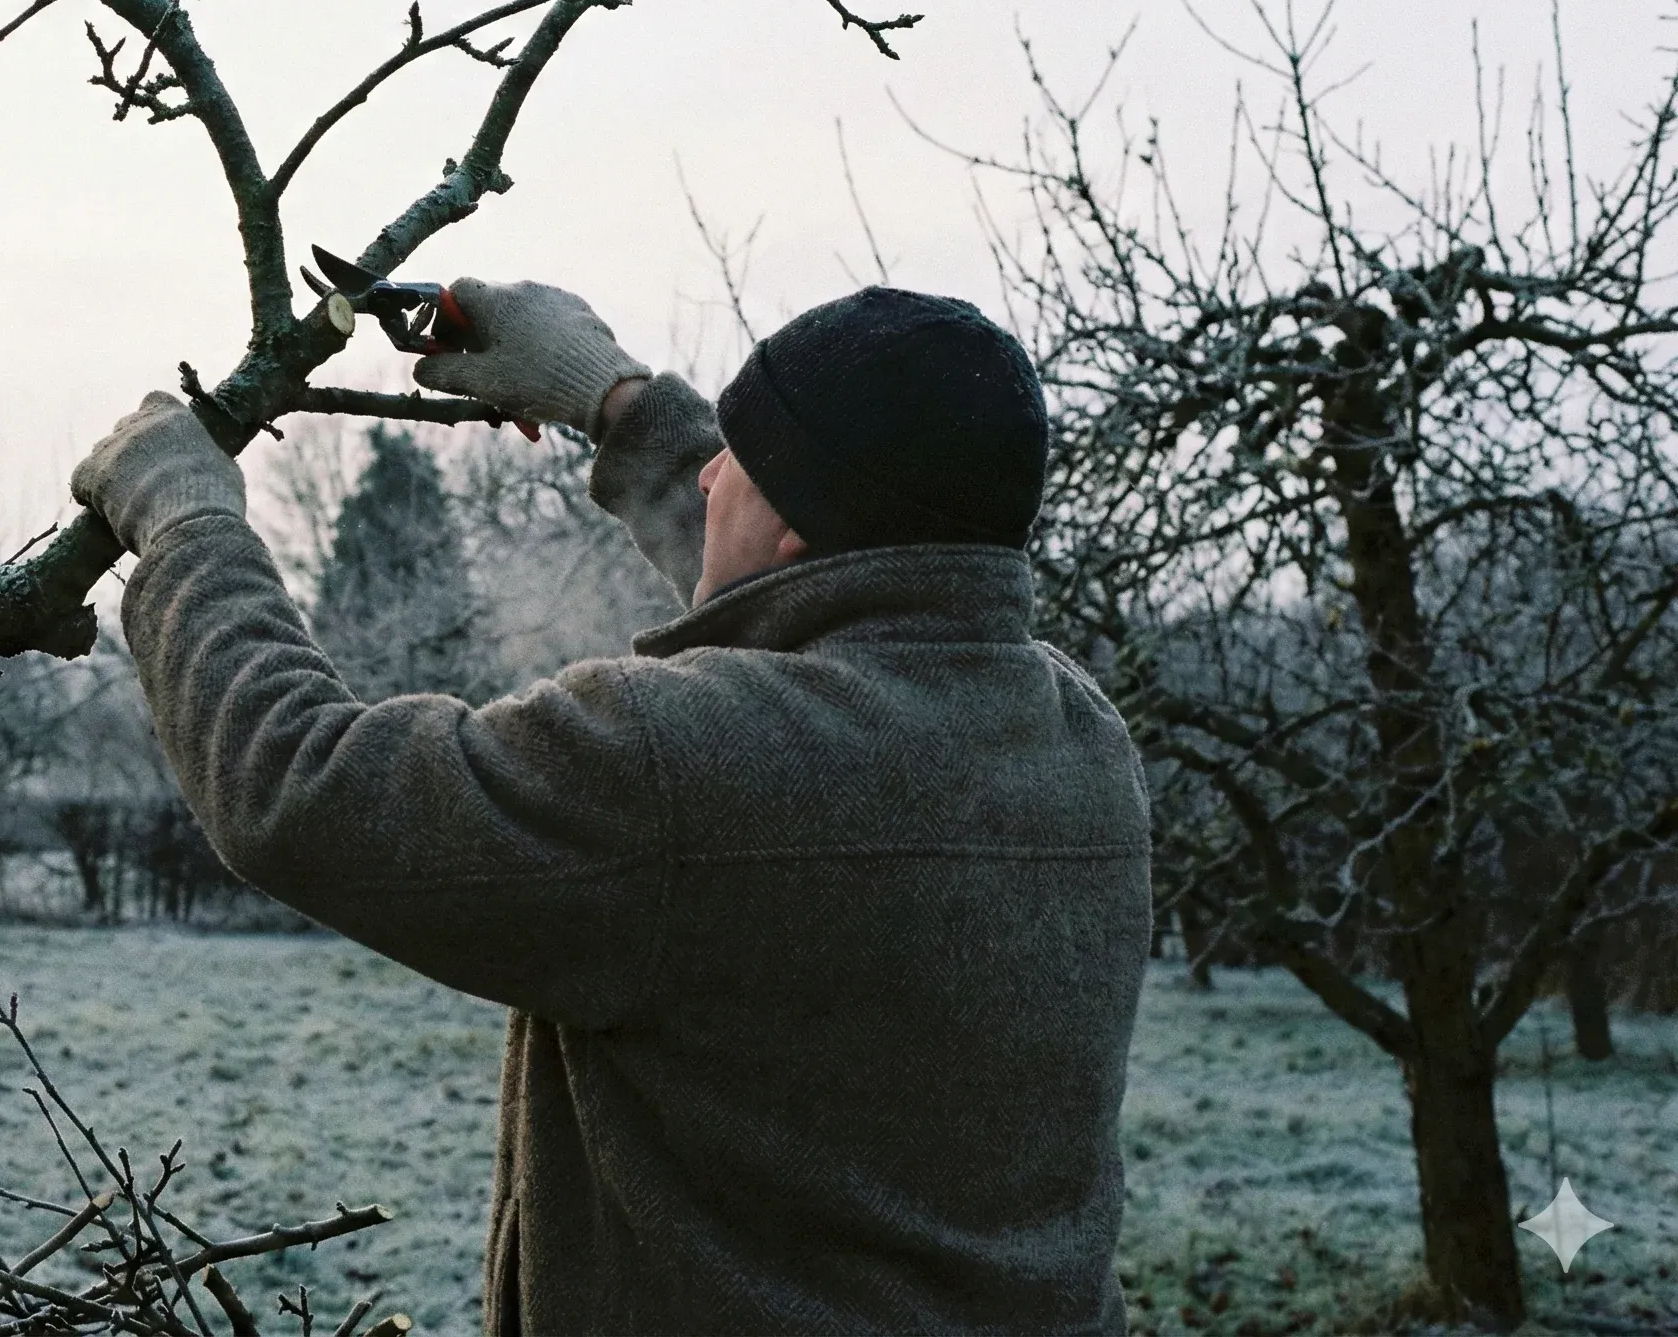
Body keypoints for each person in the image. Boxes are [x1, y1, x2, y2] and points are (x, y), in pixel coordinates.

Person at [71, 279, 1151, 1335]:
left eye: (738, 454)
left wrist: (185, 524)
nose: (710, 471)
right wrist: (613, 397)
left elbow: (301, 783)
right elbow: (817, 590)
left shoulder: (679, 769)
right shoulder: (1080, 742)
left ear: (796, 518)